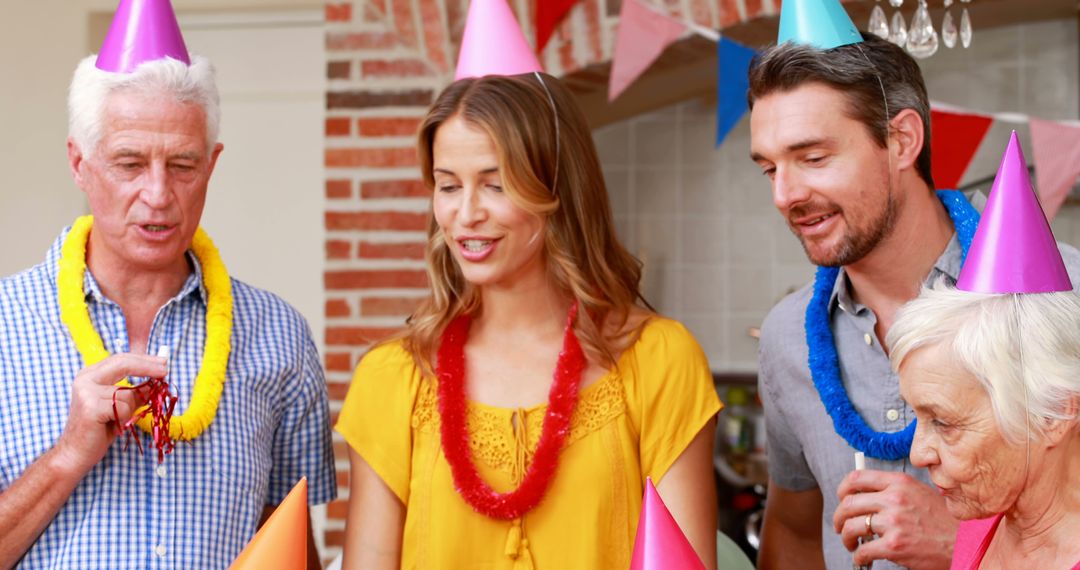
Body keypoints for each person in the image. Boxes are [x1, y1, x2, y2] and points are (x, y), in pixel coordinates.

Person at [334, 4, 720, 566]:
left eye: (495, 185)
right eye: (448, 186)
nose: (465, 214)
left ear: (556, 188)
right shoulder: (392, 380)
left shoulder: (658, 362)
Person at [0, 2, 334, 567]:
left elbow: (293, 550)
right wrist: (66, 457)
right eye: (129, 163)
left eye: (182, 165)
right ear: (79, 163)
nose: (158, 194)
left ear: (212, 164)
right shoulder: (6, 325)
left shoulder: (281, 338)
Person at [747, 2, 1080, 568]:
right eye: (771, 168)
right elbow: (795, 531)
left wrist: (966, 545)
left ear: (902, 140)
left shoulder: (1063, 293)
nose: (785, 195)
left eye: (814, 157)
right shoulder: (786, 338)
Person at [887, 133, 1080, 570]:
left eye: (944, 422)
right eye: (919, 417)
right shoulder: (981, 521)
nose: (918, 455)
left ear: (1053, 416)